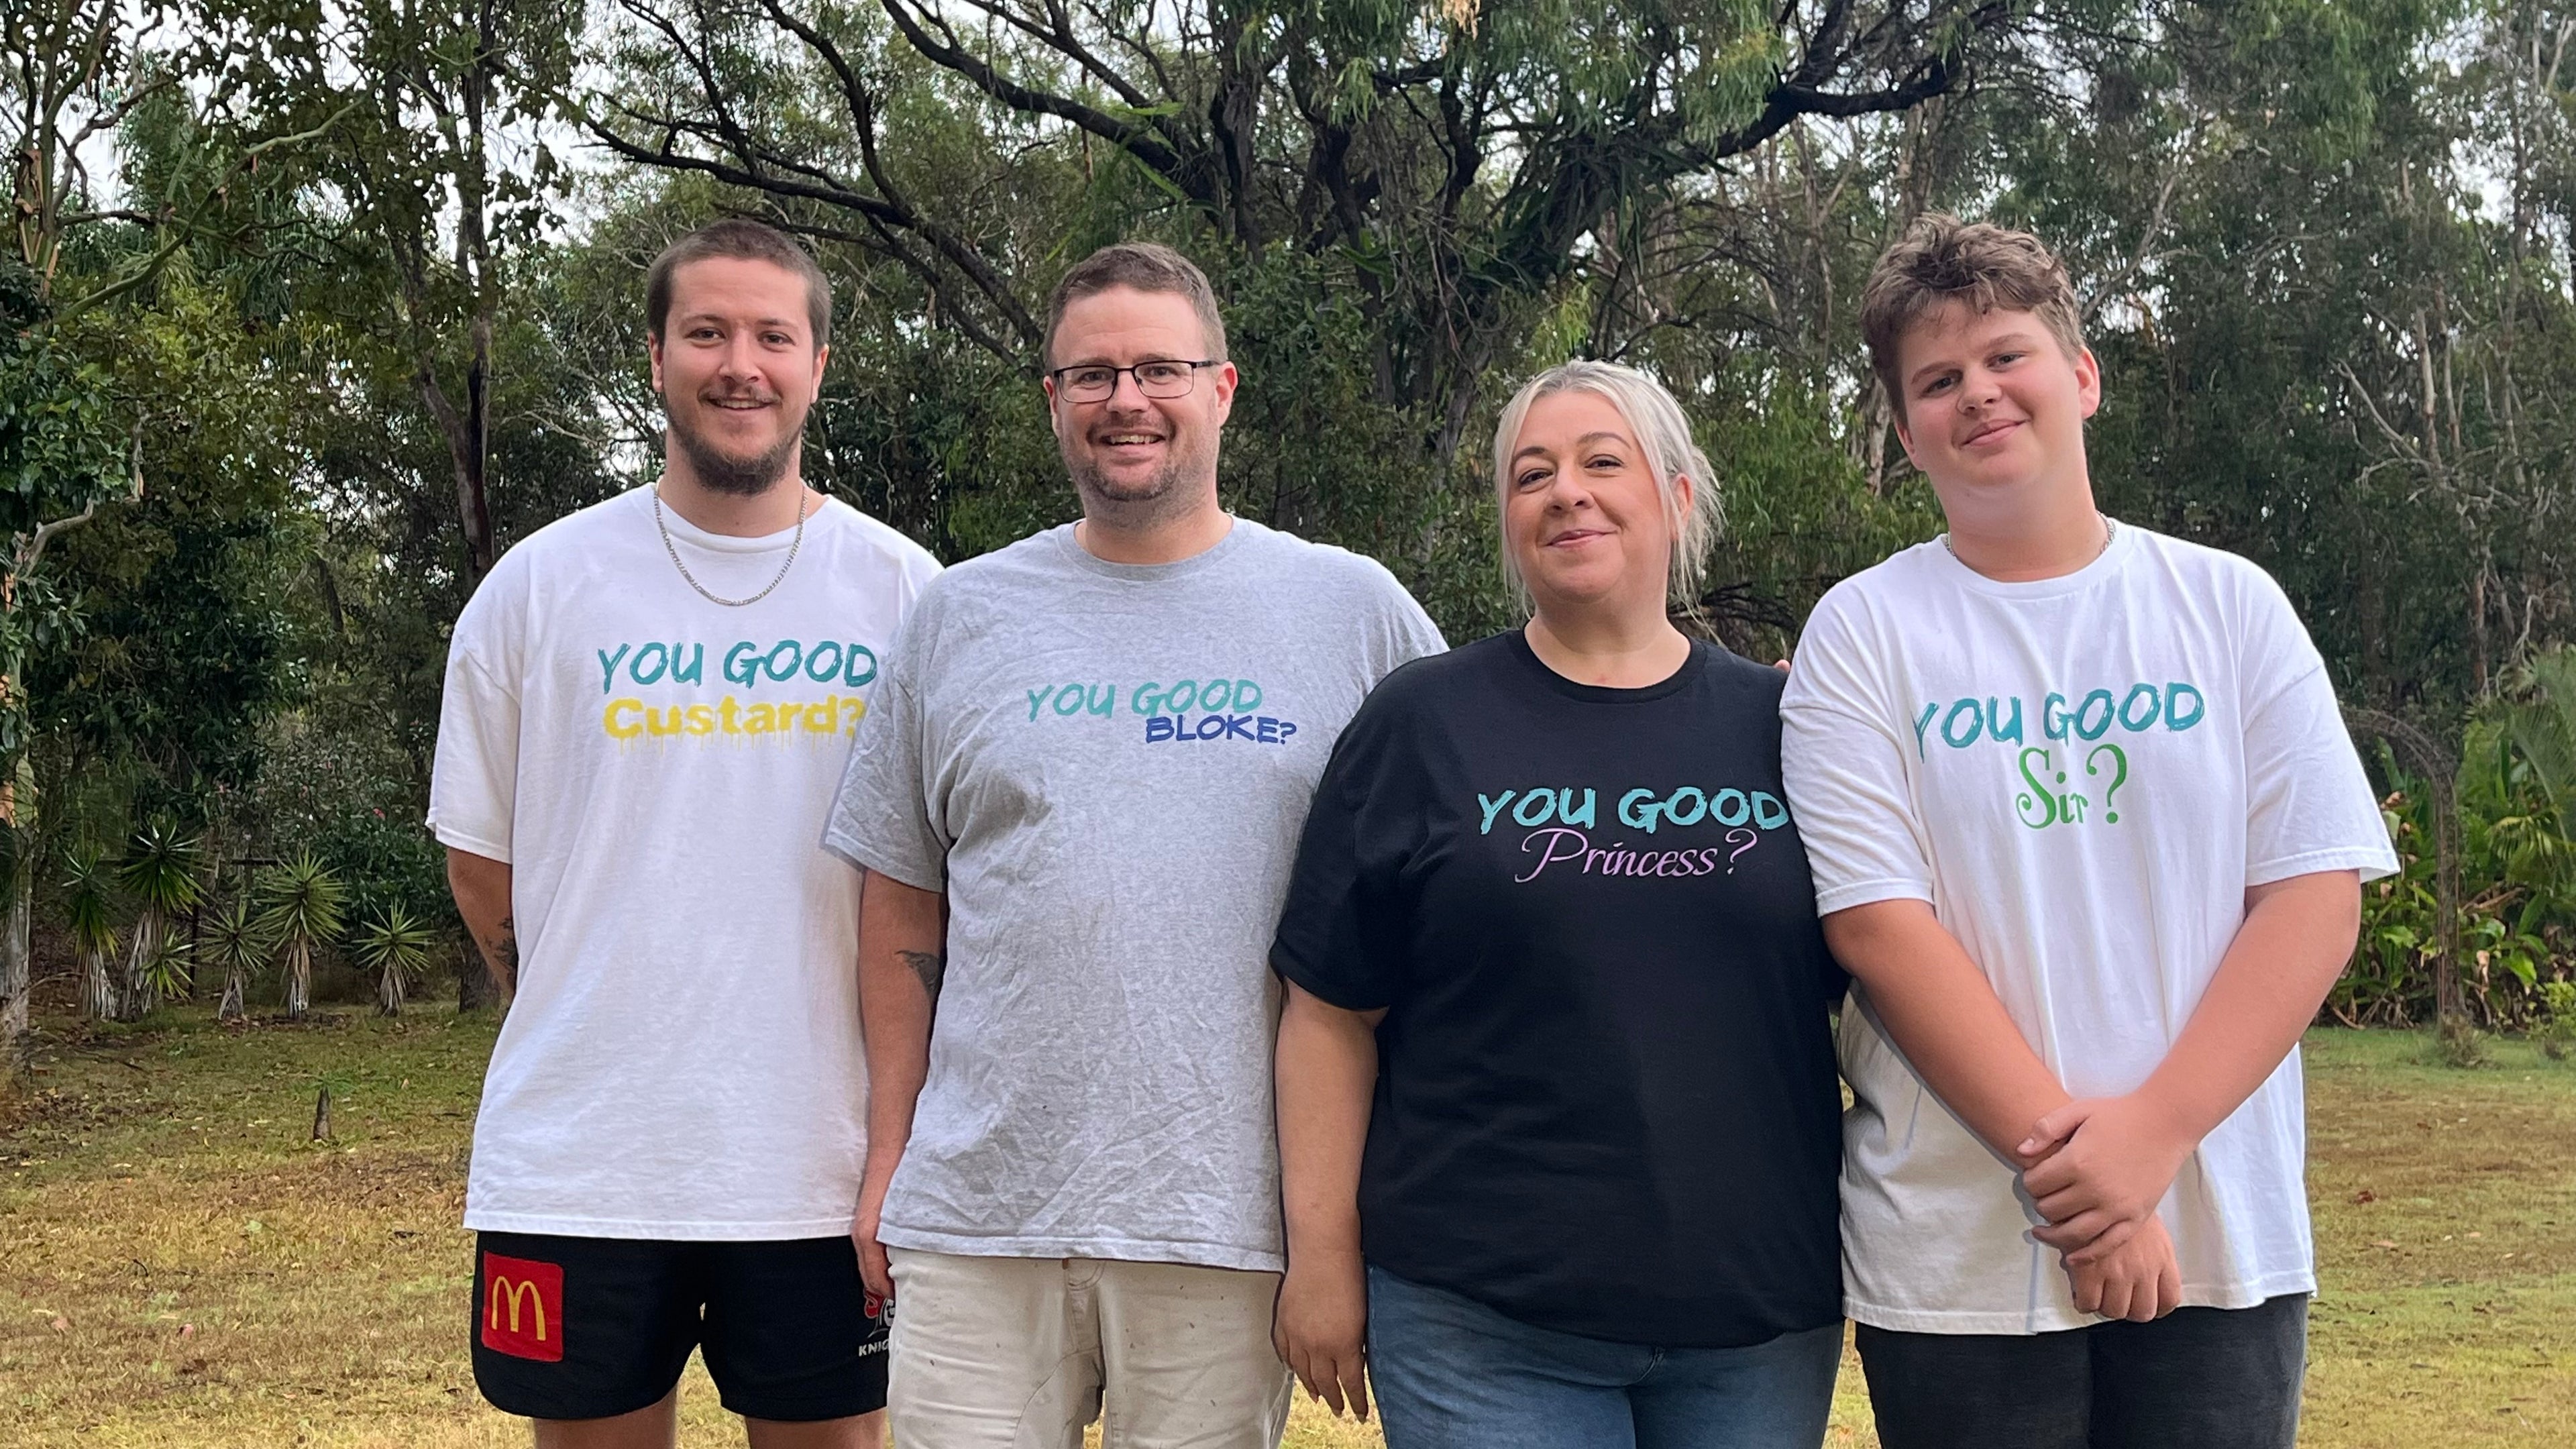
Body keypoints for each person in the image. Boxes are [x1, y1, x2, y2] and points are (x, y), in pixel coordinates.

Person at [1778, 215, 2400, 1449]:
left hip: (2222, 1236)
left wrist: (2153, 1138)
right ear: (1907, 433)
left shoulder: (2229, 605)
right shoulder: (1863, 634)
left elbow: (2317, 895)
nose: (1979, 395)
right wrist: (2097, 1198)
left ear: (2082, 376)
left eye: (2007, 357)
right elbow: (1879, 927)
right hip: (1961, 1264)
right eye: (1938, 381)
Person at [822, 241, 1445, 1449]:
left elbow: (1446, 866)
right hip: (978, 1215)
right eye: (1091, 374)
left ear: (1222, 388)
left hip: (1222, 1220)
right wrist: (890, 1152)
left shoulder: (1354, 611)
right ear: (1052, 401)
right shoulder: (962, 615)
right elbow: (900, 898)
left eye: (1160, 368)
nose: (1127, 400)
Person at [1269, 360, 1847, 1449]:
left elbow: (1880, 973)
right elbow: (1330, 1013)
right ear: (1508, 520)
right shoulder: (1421, 723)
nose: (1566, 492)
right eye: (1532, 474)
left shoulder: (1791, 725)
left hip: (1759, 1320)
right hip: (1477, 1319)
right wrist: (1323, 1257)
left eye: (1602, 462)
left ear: (1677, 499)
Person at [430, 218, 941, 1448]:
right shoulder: (540, 589)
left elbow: (934, 880)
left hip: (825, 1168)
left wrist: (898, 1134)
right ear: (656, 356)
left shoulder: (910, 593)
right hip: (584, 1164)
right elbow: (480, 859)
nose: (740, 365)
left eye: (774, 335)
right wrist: (574, 998)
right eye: (706, 332)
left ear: (819, 364)